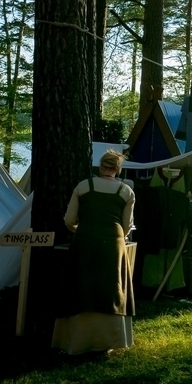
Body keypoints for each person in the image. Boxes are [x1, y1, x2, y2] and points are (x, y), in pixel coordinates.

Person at [53, 150, 136, 355]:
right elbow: (127, 226)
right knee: (111, 287)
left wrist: (81, 230)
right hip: (114, 242)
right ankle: (108, 340)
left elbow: (69, 220)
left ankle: (77, 340)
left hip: (85, 240)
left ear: (101, 167)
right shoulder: (126, 191)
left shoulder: (83, 186)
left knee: (81, 284)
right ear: (118, 169)